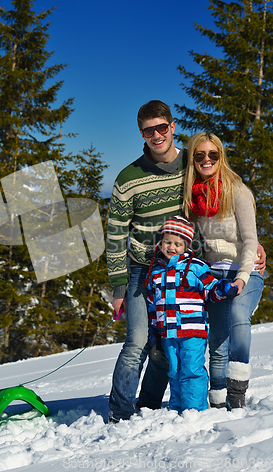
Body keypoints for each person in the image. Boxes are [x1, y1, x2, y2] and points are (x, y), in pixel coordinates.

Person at [106, 100, 202, 423]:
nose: (157, 135)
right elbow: (116, 234)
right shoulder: (128, 178)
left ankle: (147, 407)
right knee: (137, 341)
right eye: (150, 130)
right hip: (140, 271)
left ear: (172, 127)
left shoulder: (192, 165)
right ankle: (120, 414)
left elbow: (223, 191)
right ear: (142, 134)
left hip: (178, 271)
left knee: (167, 343)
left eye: (162, 127)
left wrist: (251, 240)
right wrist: (119, 287)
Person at [184, 132, 264, 410]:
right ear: (193, 159)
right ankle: (217, 397)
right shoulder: (192, 197)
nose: (207, 160)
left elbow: (250, 240)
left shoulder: (237, 191)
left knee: (238, 314)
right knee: (217, 337)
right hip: (214, 274)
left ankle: (237, 392)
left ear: (221, 157)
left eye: (213, 155)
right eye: (200, 155)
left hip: (247, 269)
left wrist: (242, 276)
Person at [144, 215, 237, 413]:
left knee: (192, 370)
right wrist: (153, 330)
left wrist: (222, 288)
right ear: (160, 243)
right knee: (174, 371)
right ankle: (179, 408)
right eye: (167, 241)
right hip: (168, 333)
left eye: (178, 244)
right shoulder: (155, 272)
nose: (171, 247)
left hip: (192, 331)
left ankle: (195, 410)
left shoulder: (196, 267)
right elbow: (153, 304)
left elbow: (210, 289)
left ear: (186, 245)